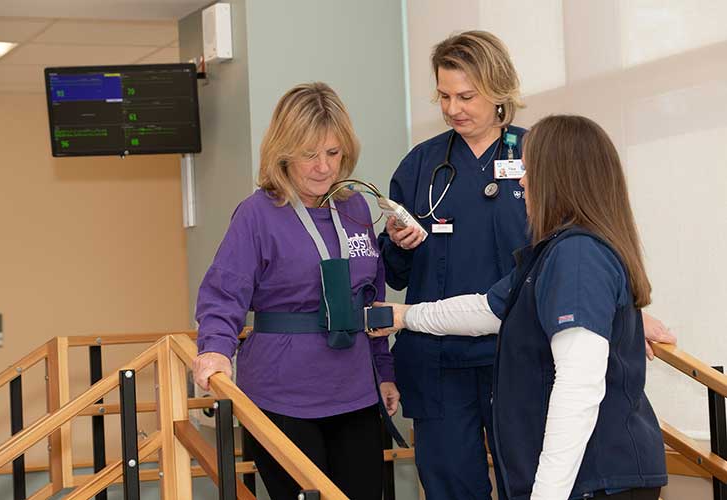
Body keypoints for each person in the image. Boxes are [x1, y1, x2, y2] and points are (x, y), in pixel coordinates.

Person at [378, 30, 674, 499]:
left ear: (499, 89)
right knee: (451, 485)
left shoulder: (542, 157)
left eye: (467, 96)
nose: (454, 108)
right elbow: (392, 271)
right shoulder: (421, 165)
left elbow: (580, 261)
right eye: (444, 96)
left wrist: (624, 315)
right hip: (439, 359)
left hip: (520, 357)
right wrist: (398, 243)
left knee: (532, 479)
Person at [192, 82, 399, 500]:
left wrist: (385, 373)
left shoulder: (355, 207)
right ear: (284, 151)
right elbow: (223, 291)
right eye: (309, 154)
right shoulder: (257, 214)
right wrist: (214, 348)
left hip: (355, 390)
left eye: (333, 153)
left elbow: (370, 300)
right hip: (283, 395)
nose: (323, 167)